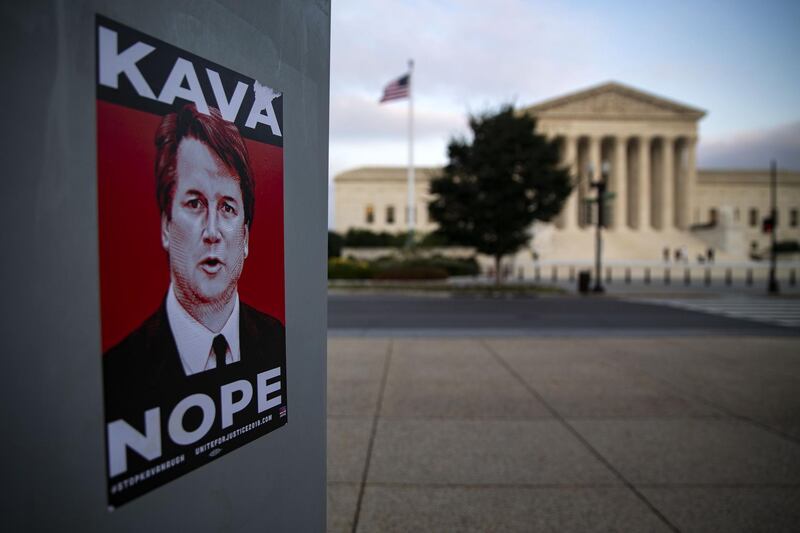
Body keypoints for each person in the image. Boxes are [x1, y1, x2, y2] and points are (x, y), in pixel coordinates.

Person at [103, 104, 285, 430]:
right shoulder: (117, 373)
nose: (212, 232)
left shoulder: (277, 341)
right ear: (165, 226)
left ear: (244, 237)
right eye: (195, 203)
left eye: (227, 207)